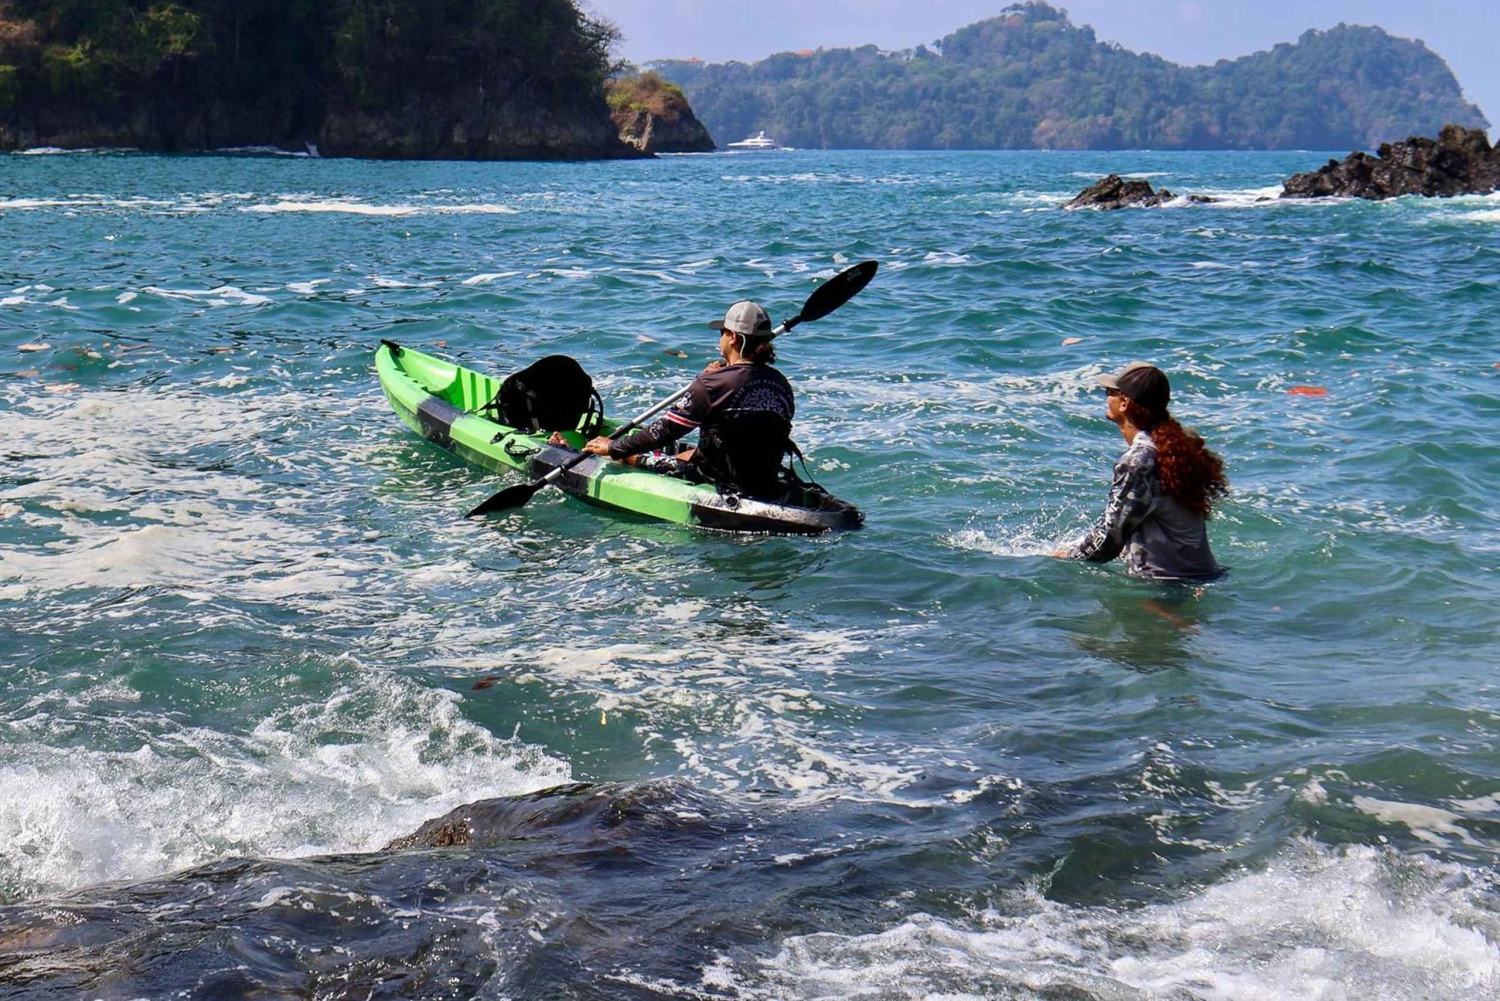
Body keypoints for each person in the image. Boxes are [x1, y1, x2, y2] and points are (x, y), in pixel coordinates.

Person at [579, 301, 795, 498]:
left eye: (722, 332)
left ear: (733, 338)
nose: (720, 338)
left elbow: (662, 433)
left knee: (625, 456)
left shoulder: (712, 384)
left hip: (717, 479)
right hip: (763, 480)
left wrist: (614, 447)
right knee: (690, 451)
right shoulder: (781, 384)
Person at [1054, 361, 1227, 581]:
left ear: (1124, 403)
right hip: (1203, 577)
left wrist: (1059, 561)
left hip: (1165, 586)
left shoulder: (1138, 461)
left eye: (1110, 392)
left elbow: (1110, 539)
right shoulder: (1176, 446)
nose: (1106, 398)